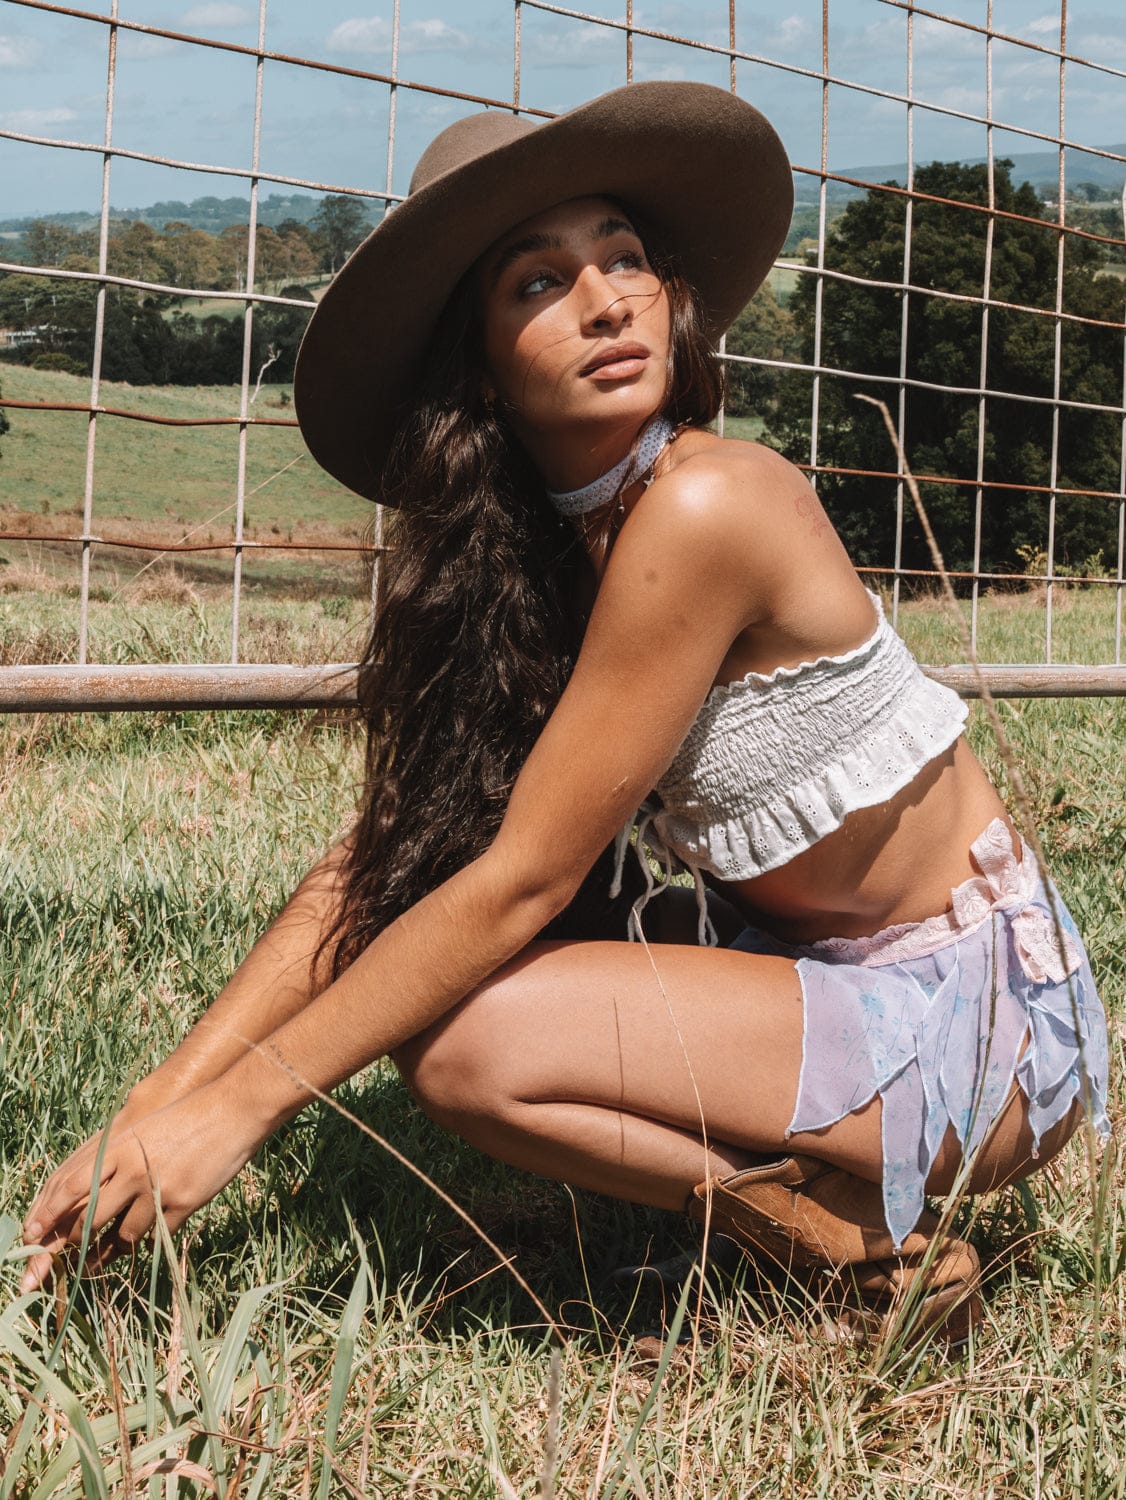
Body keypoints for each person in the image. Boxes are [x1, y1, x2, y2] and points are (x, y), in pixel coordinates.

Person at [22, 82, 1109, 1339]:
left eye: (625, 258)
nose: (606, 301)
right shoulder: (543, 555)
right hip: (802, 968)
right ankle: (830, 1207)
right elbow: (391, 860)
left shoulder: (707, 506)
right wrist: (157, 1107)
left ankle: (863, 1247)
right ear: (476, 368)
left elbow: (523, 881)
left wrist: (241, 1111)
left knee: (468, 1048)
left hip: (976, 1031)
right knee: (429, 922)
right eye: (539, 282)